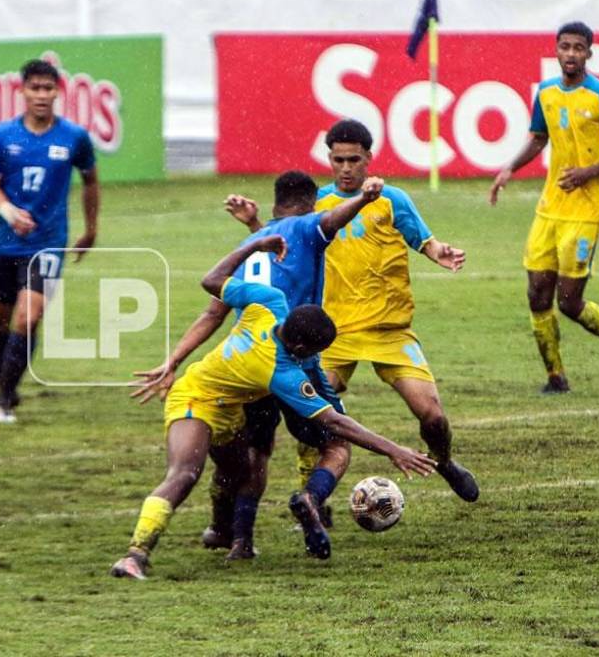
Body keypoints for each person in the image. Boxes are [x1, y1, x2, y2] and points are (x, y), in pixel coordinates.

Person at [110, 234, 437, 580]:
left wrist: (252, 246)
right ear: (298, 345)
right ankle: (135, 555)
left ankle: (223, 533)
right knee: (185, 473)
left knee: (236, 473)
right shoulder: (280, 372)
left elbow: (211, 281)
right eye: (313, 351)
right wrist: (393, 450)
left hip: (230, 409)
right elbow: (334, 422)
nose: (314, 358)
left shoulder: (270, 300)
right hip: (194, 398)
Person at [133, 171, 384, 560]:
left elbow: (212, 311)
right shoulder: (307, 227)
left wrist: (172, 360)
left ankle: (240, 540)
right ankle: (313, 500)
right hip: (292, 359)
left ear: (272, 204)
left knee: (258, 450)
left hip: (249, 358)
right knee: (331, 438)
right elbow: (330, 222)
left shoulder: (253, 243)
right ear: (313, 201)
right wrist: (365, 199)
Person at [275, 119, 479, 506]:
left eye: (354, 159)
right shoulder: (317, 205)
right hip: (332, 335)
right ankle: (312, 494)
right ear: (329, 159)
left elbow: (426, 242)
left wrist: (442, 254)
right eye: (339, 160)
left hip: (390, 331)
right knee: (309, 414)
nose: (346, 168)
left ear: (369, 158)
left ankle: (445, 461)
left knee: (432, 416)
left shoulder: (393, 200)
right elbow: (287, 246)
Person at [489, 21, 599, 394]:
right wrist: (509, 168)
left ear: (589, 54)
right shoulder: (546, 92)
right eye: (565, 47)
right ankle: (556, 377)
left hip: (587, 209)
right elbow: (539, 137)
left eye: (579, 48)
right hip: (551, 206)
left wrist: (587, 173)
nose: (571, 54)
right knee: (536, 294)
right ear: (556, 50)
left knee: (569, 301)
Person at [0, 59, 99, 424]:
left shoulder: (74, 137)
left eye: (48, 89)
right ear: (23, 91)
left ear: (57, 91)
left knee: (28, 316)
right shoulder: (2, 135)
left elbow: (91, 180)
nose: (42, 95)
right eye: (35, 88)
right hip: (4, 243)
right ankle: (6, 391)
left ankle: (2, 400)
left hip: (47, 243)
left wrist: (91, 228)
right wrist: (8, 211)